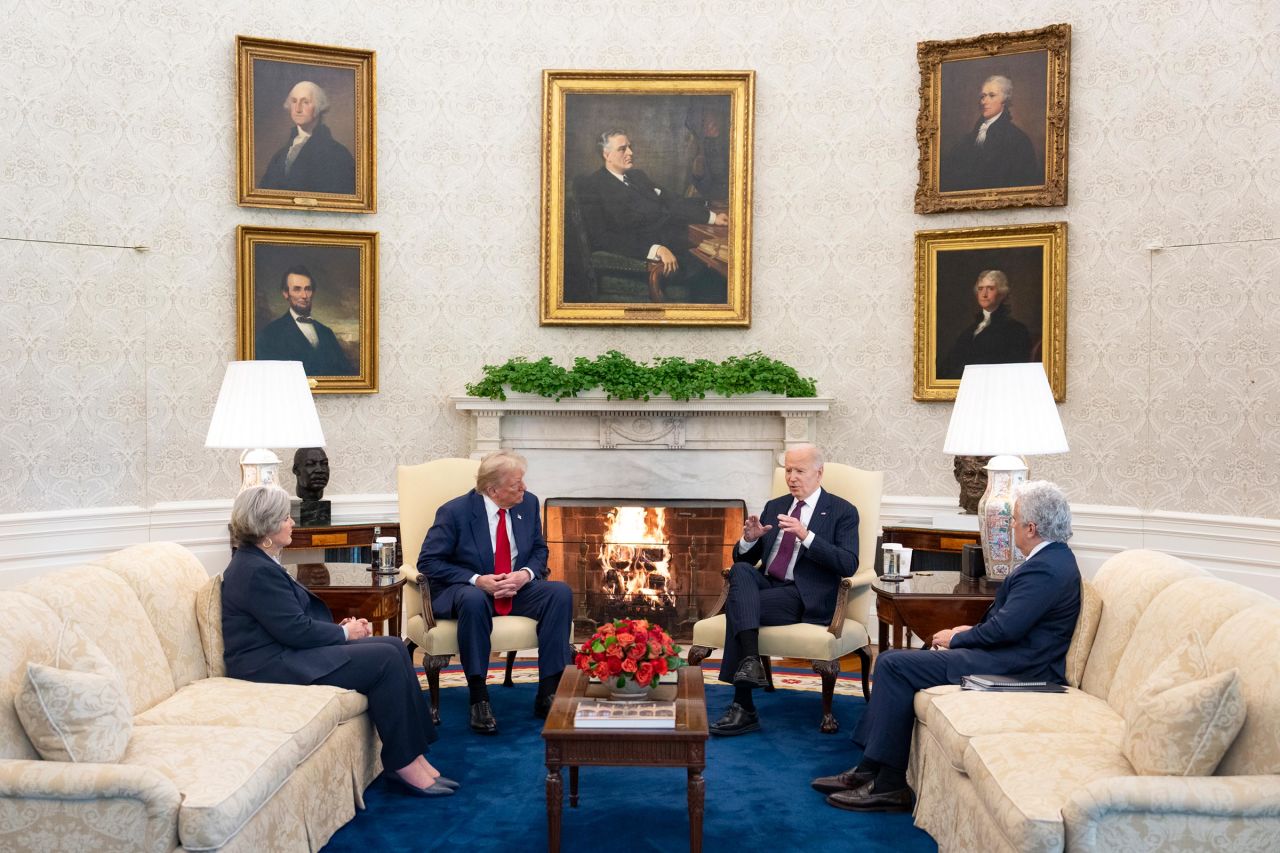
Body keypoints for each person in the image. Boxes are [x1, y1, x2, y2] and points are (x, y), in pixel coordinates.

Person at [811, 480, 1081, 812]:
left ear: (1031, 527)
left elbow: (1006, 630)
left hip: (1018, 668)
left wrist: (958, 637)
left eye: (1015, 520)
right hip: (1009, 656)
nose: (1011, 526)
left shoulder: (1047, 569)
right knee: (901, 660)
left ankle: (890, 785)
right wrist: (970, 630)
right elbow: (1013, 623)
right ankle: (870, 769)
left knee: (893, 664)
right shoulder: (1052, 560)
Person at [220, 485, 455, 798]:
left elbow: (288, 624)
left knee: (395, 647)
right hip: (271, 665)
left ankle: (414, 754)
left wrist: (339, 629)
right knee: (384, 660)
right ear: (267, 527)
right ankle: (402, 764)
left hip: (285, 650)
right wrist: (344, 634)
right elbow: (294, 631)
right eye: (285, 518)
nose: (292, 523)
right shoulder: (254, 570)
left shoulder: (259, 560)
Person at [708, 444, 860, 736]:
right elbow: (745, 562)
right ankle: (752, 663)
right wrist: (749, 541)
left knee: (740, 607)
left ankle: (744, 706)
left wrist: (807, 535)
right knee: (740, 571)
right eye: (788, 470)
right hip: (769, 585)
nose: (792, 477)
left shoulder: (842, 511)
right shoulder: (775, 506)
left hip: (803, 595)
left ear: (819, 473)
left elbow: (848, 563)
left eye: (800, 471)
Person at [418, 450, 574, 735]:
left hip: (514, 588)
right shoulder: (454, 512)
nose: (524, 488)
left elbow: (540, 550)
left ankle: (548, 693)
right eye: (516, 484)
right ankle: (479, 698)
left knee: (560, 593)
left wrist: (524, 575)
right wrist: (477, 580)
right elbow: (428, 562)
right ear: (493, 489)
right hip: (468, 590)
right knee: (475, 599)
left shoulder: (528, 503)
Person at [573, 130, 729, 298]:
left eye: (630, 147)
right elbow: (603, 238)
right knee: (714, 276)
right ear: (607, 155)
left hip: (676, 244)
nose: (630, 153)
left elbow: (672, 201)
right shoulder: (593, 186)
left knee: (717, 264)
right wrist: (655, 249)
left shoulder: (637, 176)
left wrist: (712, 217)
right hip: (644, 259)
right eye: (622, 149)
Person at [939, 74, 1041, 192]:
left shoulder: (1018, 139)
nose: (984, 101)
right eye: (983, 96)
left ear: (1004, 100)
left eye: (992, 96)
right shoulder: (969, 138)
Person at [256, 265, 356, 377]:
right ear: (285, 293)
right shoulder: (269, 334)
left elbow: (345, 373)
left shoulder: (326, 333)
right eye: (297, 289)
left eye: (308, 289)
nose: (304, 295)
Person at [259, 81, 356, 195]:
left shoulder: (338, 154)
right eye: (294, 101)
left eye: (305, 102)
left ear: (319, 107)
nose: (298, 109)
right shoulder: (280, 156)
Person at [937, 270, 1033, 379]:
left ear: (1002, 294)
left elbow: (1014, 371)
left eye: (990, 288)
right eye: (980, 289)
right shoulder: (970, 330)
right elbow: (950, 363)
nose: (984, 294)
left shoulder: (1016, 330)